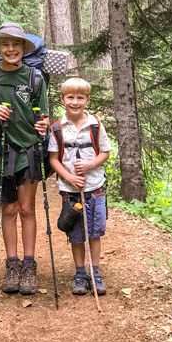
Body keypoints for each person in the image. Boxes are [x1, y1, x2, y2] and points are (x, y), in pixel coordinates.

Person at [0, 22, 49, 295]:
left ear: (24, 47)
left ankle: (29, 264)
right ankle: (12, 265)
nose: (11, 49)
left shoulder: (35, 78)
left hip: (29, 149)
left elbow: (43, 115)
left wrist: (43, 124)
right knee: (8, 209)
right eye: (5, 44)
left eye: (16, 44)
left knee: (26, 209)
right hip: (1, 151)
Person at [48, 77, 111, 295]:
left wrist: (90, 165)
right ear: (63, 99)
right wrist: (70, 177)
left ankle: (95, 271)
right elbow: (53, 159)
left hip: (95, 187)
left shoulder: (96, 125)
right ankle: (80, 272)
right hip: (70, 191)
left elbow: (105, 152)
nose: (75, 102)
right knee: (76, 233)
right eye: (71, 97)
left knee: (94, 231)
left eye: (80, 98)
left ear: (87, 100)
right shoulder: (57, 128)